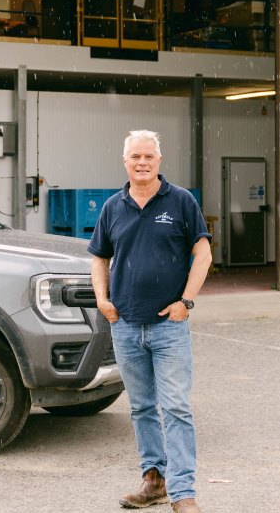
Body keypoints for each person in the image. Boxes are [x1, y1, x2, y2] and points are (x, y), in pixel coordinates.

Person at [89, 130, 212, 513]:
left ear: (159, 160)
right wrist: (102, 300)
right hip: (125, 326)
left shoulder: (181, 201)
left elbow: (203, 254)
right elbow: (98, 258)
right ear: (125, 162)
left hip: (168, 327)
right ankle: (153, 479)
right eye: (135, 157)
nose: (142, 163)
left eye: (149, 156)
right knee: (141, 407)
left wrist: (186, 301)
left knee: (175, 407)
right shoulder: (113, 206)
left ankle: (183, 492)